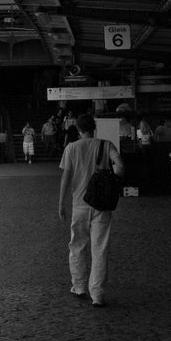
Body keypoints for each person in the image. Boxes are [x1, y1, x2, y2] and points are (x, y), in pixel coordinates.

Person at [57, 113, 125, 308]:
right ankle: (97, 294)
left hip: (79, 204)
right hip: (101, 206)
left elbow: (66, 177)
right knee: (99, 248)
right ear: (94, 128)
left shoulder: (71, 148)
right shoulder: (106, 145)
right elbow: (120, 165)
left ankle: (79, 287)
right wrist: (114, 182)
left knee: (77, 246)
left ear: (78, 130)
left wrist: (61, 203)